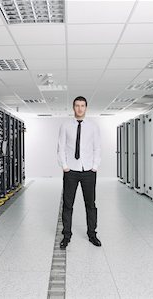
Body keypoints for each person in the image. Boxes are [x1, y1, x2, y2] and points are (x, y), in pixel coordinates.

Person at [57, 96, 101, 249]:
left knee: (90, 204)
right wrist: (64, 166)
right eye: (77, 105)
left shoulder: (93, 126)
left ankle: (92, 234)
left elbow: (97, 148)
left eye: (82, 106)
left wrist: (94, 166)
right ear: (73, 107)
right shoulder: (65, 125)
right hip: (71, 171)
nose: (80, 108)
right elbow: (61, 147)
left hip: (88, 170)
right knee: (68, 204)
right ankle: (66, 235)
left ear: (86, 108)